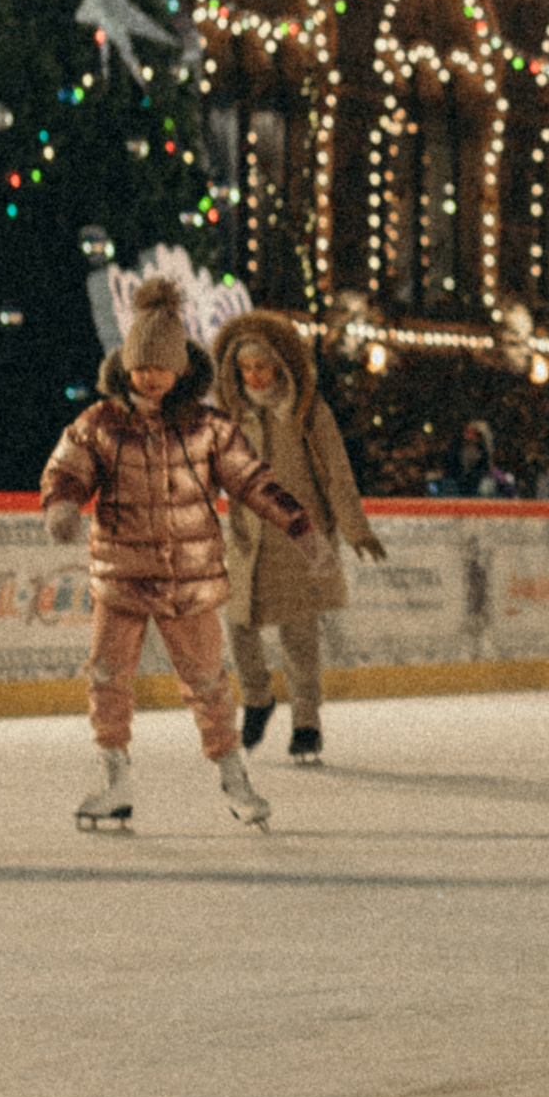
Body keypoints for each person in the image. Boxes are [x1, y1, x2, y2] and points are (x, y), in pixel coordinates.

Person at [40, 277, 331, 831]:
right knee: (107, 676)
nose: (148, 376)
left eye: (159, 365)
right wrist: (62, 504)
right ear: (125, 366)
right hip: (121, 575)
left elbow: (252, 479)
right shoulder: (101, 423)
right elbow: (68, 467)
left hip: (188, 580)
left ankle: (235, 779)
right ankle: (114, 781)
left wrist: (300, 526)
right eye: (139, 365)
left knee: (207, 682)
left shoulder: (207, 428)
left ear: (179, 369)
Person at [213, 309, 386, 763]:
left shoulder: (308, 413)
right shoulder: (230, 416)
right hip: (248, 538)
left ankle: (306, 721)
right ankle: (256, 697)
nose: (253, 375)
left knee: (299, 635)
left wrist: (354, 528)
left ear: (280, 366)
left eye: (261, 366)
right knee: (237, 623)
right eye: (245, 368)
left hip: (301, 537)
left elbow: (337, 475)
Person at [431, 419, 516, 499]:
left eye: (471, 433)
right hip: (457, 479)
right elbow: (451, 464)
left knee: (489, 486)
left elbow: (484, 468)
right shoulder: (457, 447)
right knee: (439, 484)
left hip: (476, 480)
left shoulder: (483, 451)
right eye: (467, 432)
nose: (467, 435)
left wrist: (474, 478)